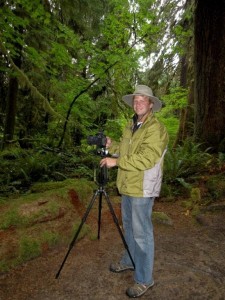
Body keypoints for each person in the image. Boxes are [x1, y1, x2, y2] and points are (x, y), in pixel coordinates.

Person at [100, 85, 168, 298]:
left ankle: (145, 279)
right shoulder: (131, 126)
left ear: (150, 104)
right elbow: (126, 149)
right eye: (135, 100)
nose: (138, 103)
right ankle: (130, 261)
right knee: (128, 227)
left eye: (142, 100)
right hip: (127, 185)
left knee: (142, 232)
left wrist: (116, 161)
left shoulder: (156, 128)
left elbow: (147, 158)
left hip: (143, 186)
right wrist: (112, 146)